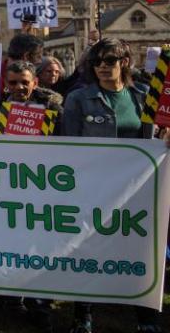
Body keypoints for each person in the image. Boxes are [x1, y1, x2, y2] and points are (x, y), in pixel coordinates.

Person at [62, 38, 167, 333]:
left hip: (139, 188)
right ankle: (83, 316)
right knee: (88, 249)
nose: (102, 67)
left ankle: (146, 317)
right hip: (94, 187)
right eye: (96, 62)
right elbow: (69, 147)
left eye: (109, 60)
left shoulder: (144, 95)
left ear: (125, 61)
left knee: (142, 249)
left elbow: (156, 139)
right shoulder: (78, 99)